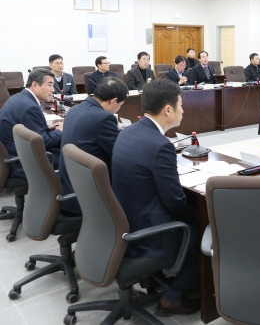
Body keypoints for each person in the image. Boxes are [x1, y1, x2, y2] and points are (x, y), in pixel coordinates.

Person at [112, 79, 199, 315]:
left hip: (125, 221)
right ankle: (172, 298)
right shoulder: (161, 145)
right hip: (147, 234)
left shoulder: (128, 131)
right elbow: (174, 201)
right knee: (204, 234)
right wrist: (192, 219)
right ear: (168, 109)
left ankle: (156, 280)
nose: (184, 110)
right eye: (181, 104)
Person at [58, 77, 128, 215]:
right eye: (121, 104)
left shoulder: (74, 109)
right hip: (88, 197)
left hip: (69, 187)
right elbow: (121, 156)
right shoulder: (104, 118)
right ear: (113, 101)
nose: (119, 108)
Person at [0, 69, 63, 180]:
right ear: (34, 85)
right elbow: (44, 142)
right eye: (50, 85)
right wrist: (59, 131)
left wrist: (47, 128)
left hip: (15, 154)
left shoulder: (18, 97)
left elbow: (29, 131)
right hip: (22, 163)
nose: (53, 90)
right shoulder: (30, 107)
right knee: (74, 160)